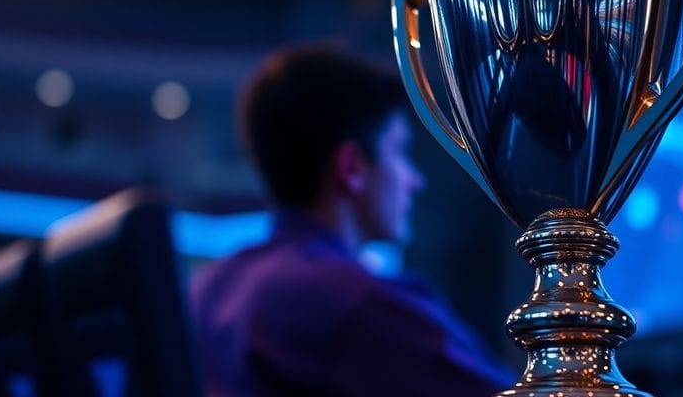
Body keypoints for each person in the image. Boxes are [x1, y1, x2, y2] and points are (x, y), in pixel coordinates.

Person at [190, 46, 512, 396]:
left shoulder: (208, 289)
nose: (414, 180)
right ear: (351, 168)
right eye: (400, 152)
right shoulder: (354, 302)